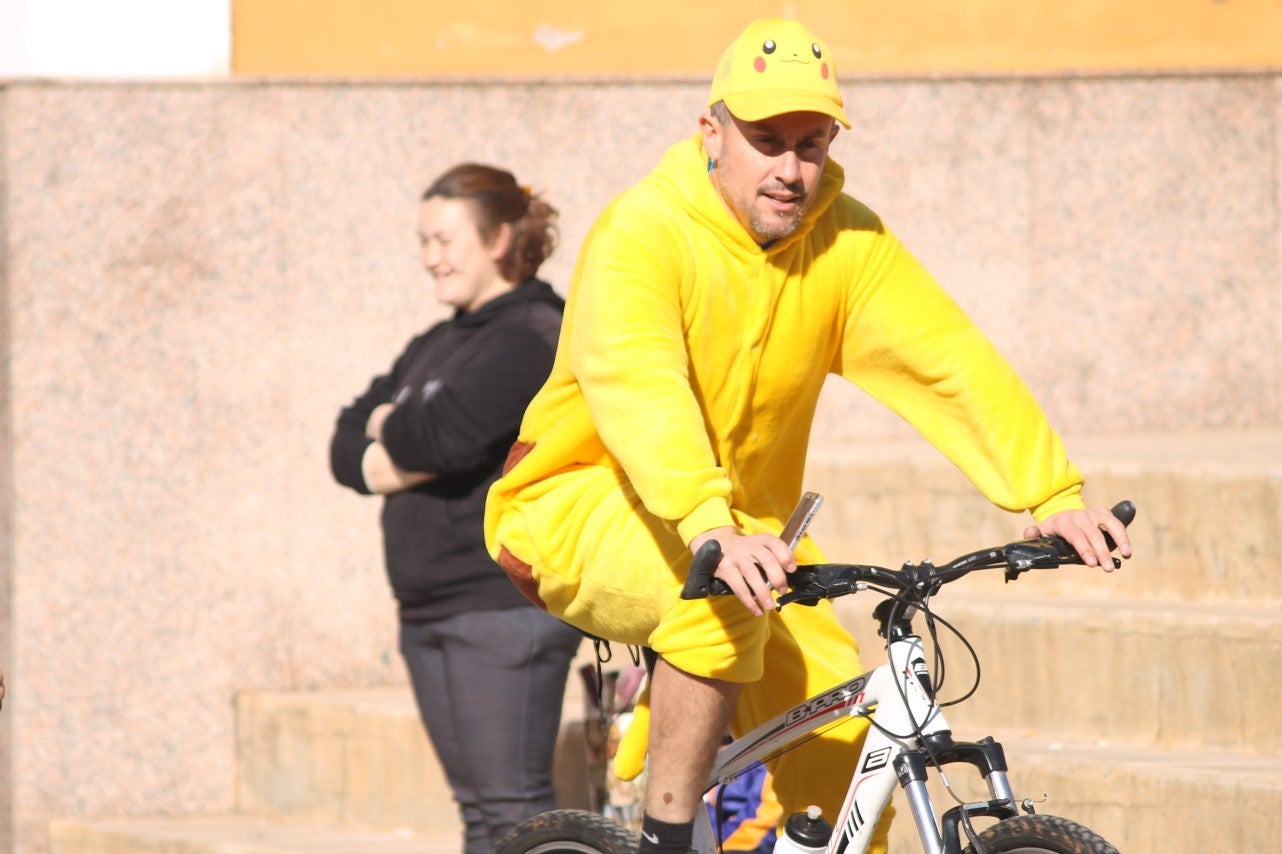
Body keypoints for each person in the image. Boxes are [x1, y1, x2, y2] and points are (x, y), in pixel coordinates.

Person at [484, 17, 1133, 854]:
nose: (791, 169)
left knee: (851, 750)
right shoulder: (643, 231)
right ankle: (666, 841)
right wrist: (707, 521)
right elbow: (640, 386)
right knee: (710, 602)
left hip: (744, 536)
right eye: (766, 140)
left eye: (811, 143)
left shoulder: (844, 240)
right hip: (572, 506)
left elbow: (948, 361)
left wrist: (1051, 495)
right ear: (711, 133)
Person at [329, 162, 583, 854]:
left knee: (513, 812)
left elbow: (437, 435)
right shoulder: (437, 343)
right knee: (481, 815)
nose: (428, 258)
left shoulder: (533, 332)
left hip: (498, 611)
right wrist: (395, 429)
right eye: (422, 241)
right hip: (430, 608)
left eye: (444, 240)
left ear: (500, 238)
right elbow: (343, 443)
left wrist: (394, 423)